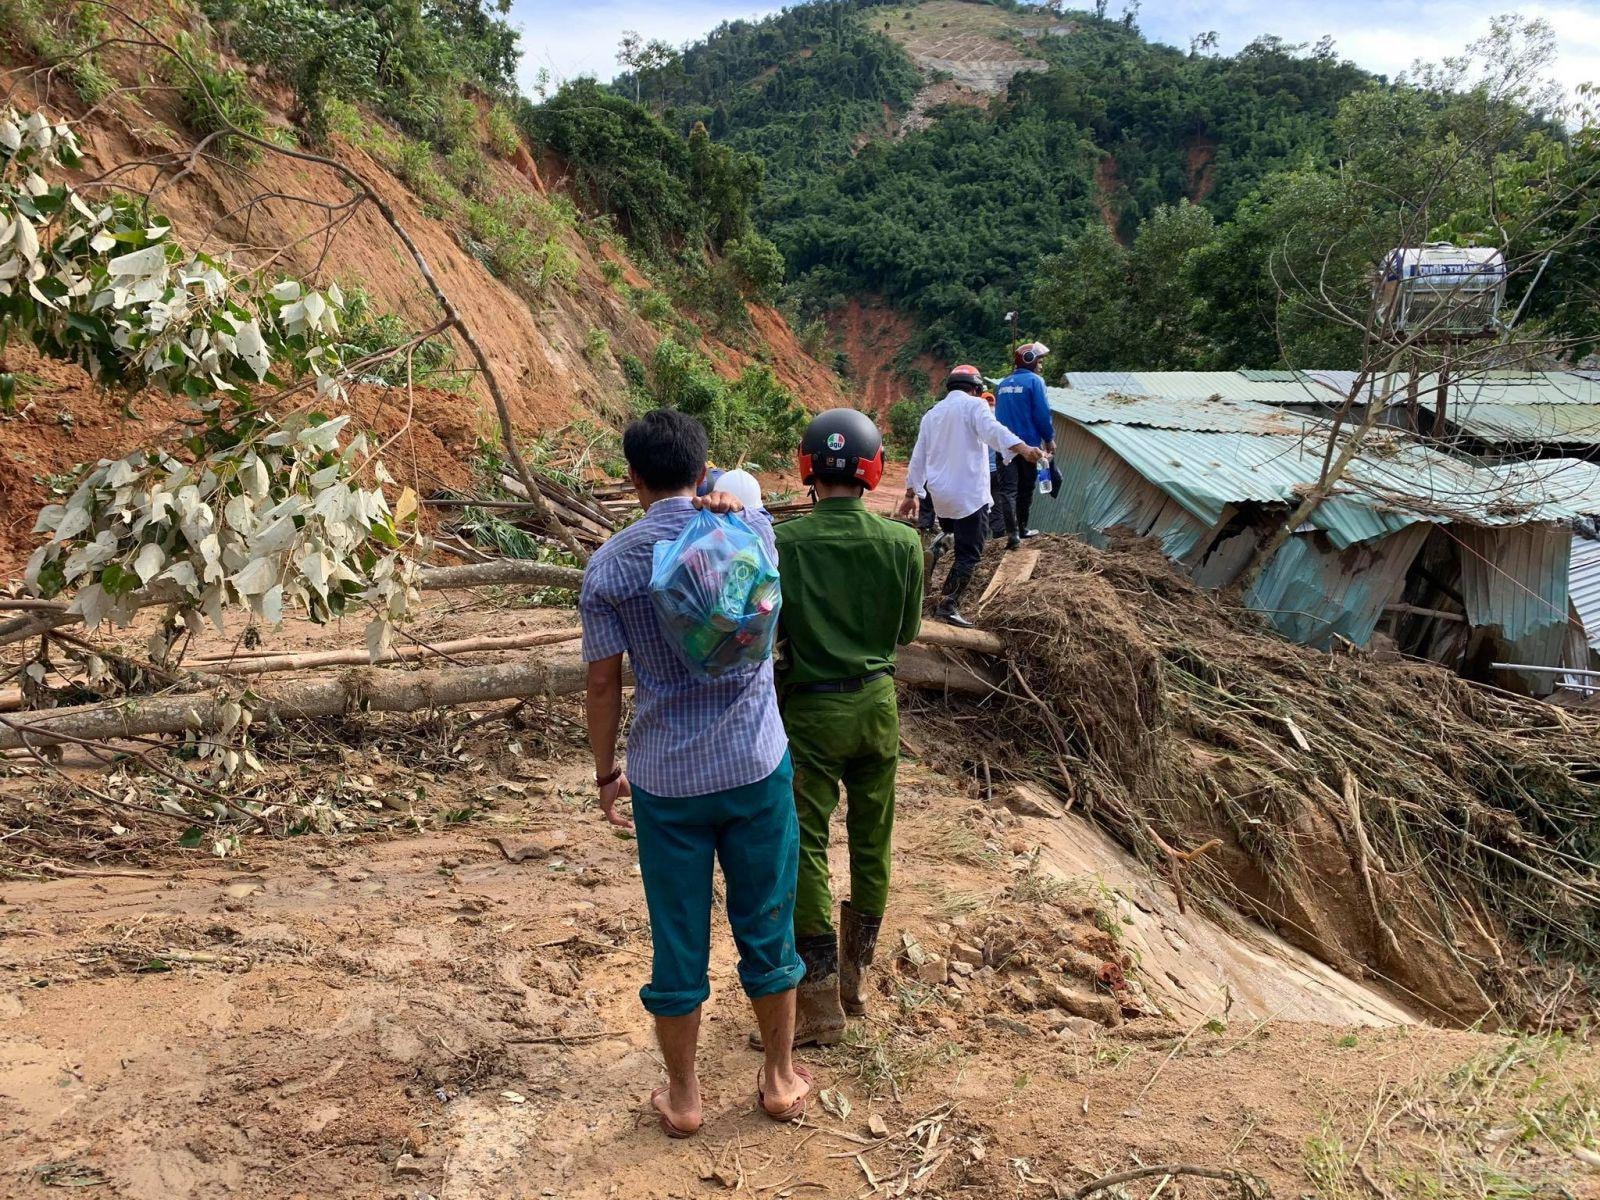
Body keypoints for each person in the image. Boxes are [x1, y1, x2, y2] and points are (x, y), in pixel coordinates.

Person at [580, 409, 812, 1139]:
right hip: (753, 762)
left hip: (665, 778)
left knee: (677, 935)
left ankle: (683, 1097)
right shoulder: (751, 530)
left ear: (633, 479)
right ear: (703, 467)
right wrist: (731, 508)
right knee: (767, 921)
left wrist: (605, 773)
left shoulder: (611, 565)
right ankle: (778, 1079)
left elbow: (602, 687)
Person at [757, 409, 923, 1048]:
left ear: (806, 469)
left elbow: (769, 629)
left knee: (806, 844)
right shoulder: (903, 543)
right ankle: (857, 978)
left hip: (810, 711)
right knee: (873, 836)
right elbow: (906, 633)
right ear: (873, 469)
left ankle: (819, 1001)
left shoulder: (784, 543)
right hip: (877, 707)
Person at [898, 366, 1043, 627]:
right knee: (971, 553)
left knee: (953, 528)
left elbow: (918, 456)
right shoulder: (975, 407)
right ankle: (948, 605)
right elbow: (994, 431)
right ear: (976, 389)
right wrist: (1023, 449)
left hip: (941, 494)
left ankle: (938, 547)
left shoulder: (932, 415)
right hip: (968, 494)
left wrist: (911, 493)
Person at [993, 342, 1056, 548]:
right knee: (1026, 488)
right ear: (1029, 359)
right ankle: (1022, 529)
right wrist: (1049, 438)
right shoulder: (1035, 382)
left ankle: (1011, 535)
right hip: (1029, 447)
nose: (1041, 365)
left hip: (1005, 447)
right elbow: (1042, 414)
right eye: (1039, 360)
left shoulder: (1002, 385)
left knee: (1008, 490)